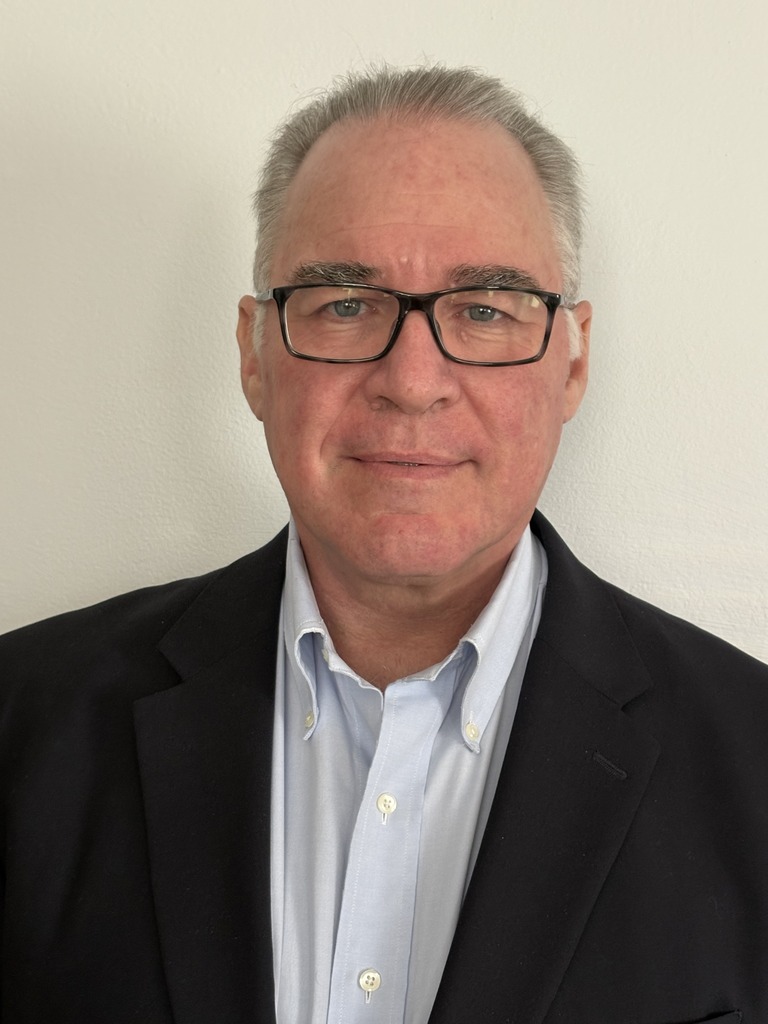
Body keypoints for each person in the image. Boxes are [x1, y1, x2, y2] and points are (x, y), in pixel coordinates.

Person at [0, 65, 766, 1024]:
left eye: (484, 310)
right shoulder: (23, 730)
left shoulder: (754, 766)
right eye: (345, 304)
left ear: (572, 362)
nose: (411, 381)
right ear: (254, 354)